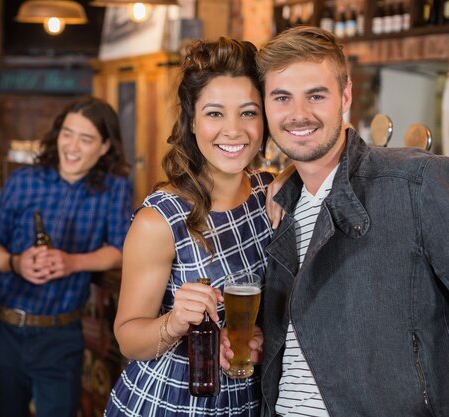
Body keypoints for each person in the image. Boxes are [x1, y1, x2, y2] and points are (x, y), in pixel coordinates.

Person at [256, 26, 449, 416]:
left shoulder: (414, 182)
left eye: (316, 95)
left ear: (344, 97)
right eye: (281, 98)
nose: (298, 114)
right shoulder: (279, 203)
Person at [105, 37, 272, 416]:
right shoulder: (160, 220)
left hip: (248, 401)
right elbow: (128, 339)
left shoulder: (271, 193)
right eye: (215, 113)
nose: (233, 130)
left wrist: (256, 338)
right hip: (171, 403)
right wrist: (176, 321)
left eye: (248, 112)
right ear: (192, 121)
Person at [0, 96, 133, 417]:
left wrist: (72, 262)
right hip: (5, 328)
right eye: (67, 133)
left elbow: (120, 251)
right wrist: (15, 263)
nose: (72, 146)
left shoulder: (114, 188)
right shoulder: (24, 180)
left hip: (61, 335)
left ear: (104, 146)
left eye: (86, 138)